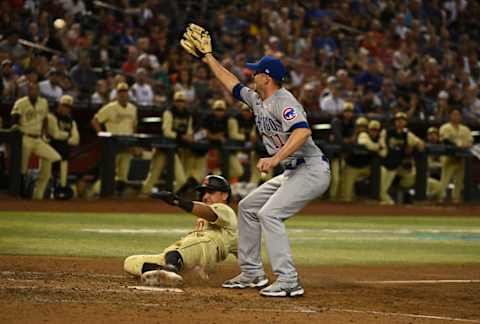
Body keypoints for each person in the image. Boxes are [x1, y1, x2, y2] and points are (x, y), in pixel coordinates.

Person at [180, 24, 330, 297]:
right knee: (248, 207)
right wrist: (207, 58)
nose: (252, 73)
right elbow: (232, 85)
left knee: (270, 214)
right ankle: (252, 272)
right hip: (293, 171)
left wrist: (275, 159)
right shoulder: (259, 98)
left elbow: (303, 130)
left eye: (257, 71)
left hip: (311, 169)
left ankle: (288, 280)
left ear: (267, 78)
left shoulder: (283, 101)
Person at [124, 175, 237, 287]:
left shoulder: (226, 211)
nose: (206, 196)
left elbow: (209, 213)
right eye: (204, 193)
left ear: (225, 195)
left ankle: (171, 271)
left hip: (204, 249)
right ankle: (175, 273)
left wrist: (177, 201)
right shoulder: (207, 218)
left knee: (184, 248)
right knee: (131, 262)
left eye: (211, 192)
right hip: (182, 256)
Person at [11, 80, 61, 199]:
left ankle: (49, 184)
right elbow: (15, 116)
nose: (32, 91)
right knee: (22, 168)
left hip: (38, 138)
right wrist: (16, 127)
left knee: (55, 157)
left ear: (38, 91)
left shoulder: (43, 102)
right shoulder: (21, 102)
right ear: (27, 91)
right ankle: (21, 194)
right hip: (26, 137)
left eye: (34, 89)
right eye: (30, 89)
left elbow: (45, 119)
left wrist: (44, 133)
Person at [141, 91, 192, 196]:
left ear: (185, 102)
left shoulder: (188, 114)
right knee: (154, 175)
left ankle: (170, 198)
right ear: (174, 102)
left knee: (182, 180)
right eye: (178, 101)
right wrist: (181, 136)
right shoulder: (169, 112)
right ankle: (142, 196)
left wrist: (189, 136)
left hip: (176, 148)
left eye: (182, 101)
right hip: (163, 148)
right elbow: (167, 131)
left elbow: (189, 132)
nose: (180, 103)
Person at [91, 82, 138, 194]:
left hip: (127, 145)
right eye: (120, 92)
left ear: (128, 94)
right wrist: (102, 135)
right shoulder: (110, 107)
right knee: (109, 173)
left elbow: (134, 126)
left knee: (123, 176)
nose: (123, 94)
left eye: (125, 92)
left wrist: (134, 143)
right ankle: (95, 192)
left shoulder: (133, 108)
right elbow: (95, 120)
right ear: (117, 94)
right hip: (112, 144)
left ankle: (116, 201)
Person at [378, 112, 424, 205]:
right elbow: (381, 144)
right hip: (383, 164)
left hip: (395, 166)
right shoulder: (387, 132)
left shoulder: (406, 134)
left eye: (402, 120)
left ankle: (389, 204)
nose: (400, 122)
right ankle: (389, 204)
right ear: (395, 122)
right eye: (398, 120)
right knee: (380, 189)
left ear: (405, 122)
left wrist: (417, 145)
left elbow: (419, 143)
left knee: (383, 189)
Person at [340, 118, 383, 202]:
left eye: (363, 127)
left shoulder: (373, 138)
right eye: (359, 126)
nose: (361, 129)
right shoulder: (350, 137)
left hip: (366, 167)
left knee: (378, 168)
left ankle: (374, 199)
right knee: (346, 196)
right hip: (352, 167)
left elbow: (377, 148)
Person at [47, 95, 80, 199]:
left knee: (64, 160)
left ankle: (62, 187)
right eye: (64, 106)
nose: (66, 109)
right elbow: (55, 134)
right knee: (47, 177)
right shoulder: (51, 117)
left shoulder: (71, 120)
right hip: (50, 151)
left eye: (68, 107)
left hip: (63, 152)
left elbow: (76, 140)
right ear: (59, 105)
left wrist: (63, 137)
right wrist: (68, 136)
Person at [438, 109, 473, 203]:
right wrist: (457, 145)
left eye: (458, 115)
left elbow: (470, 142)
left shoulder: (465, 129)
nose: (456, 117)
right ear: (450, 116)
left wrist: (465, 145)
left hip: (461, 158)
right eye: (454, 114)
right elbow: (444, 140)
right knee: (445, 179)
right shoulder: (445, 127)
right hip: (449, 158)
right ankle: (441, 198)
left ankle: (456, 199)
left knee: (459, 180)